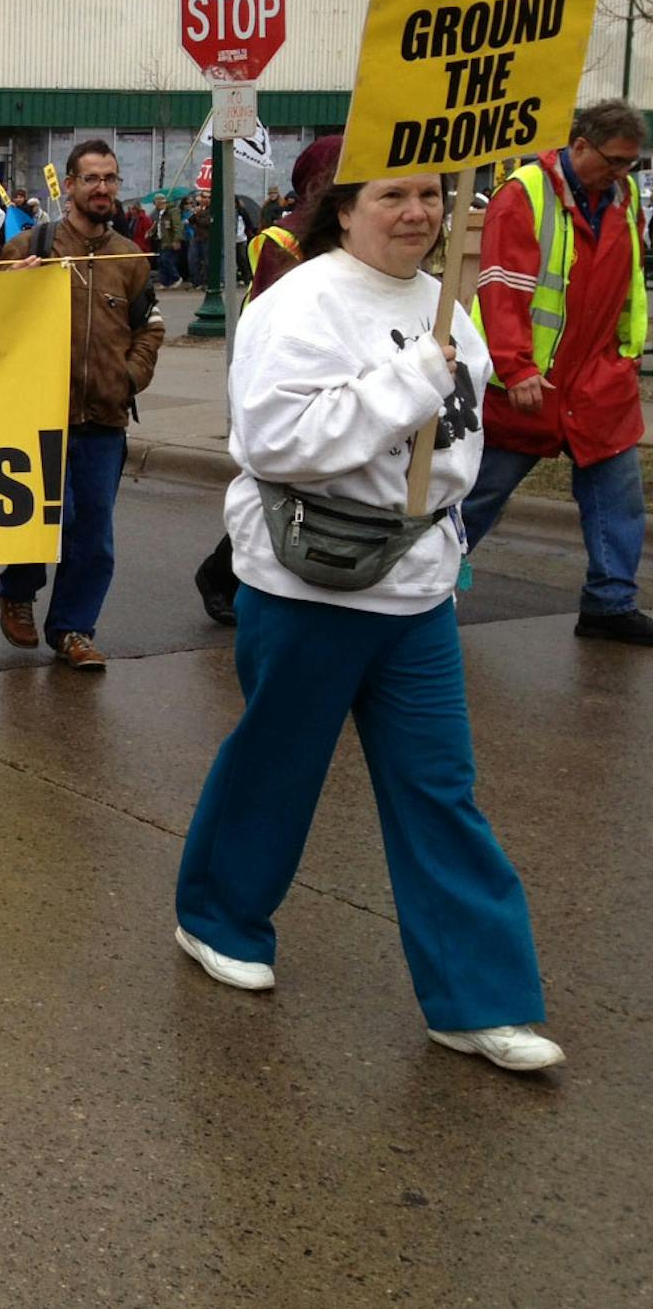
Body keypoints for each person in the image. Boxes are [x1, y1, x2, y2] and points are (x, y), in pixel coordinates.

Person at [173, 165, 563, 1074]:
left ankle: (480, 998)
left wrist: (449, 538)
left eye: (429, 196)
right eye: (391, 196)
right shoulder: (301, 304)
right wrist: (412, 377)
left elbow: (459, 443)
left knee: (439, 789)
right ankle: (218, 918)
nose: (417, 213)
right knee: (279, 765)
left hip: (418, 591)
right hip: (313, 582)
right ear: (343, 210)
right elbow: (272, 442)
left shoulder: (447, 304)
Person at [461, 100, 650, 644]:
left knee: (618, 497)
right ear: (580, 145)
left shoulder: (624, 196)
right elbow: (503, 287)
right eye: (615, 161)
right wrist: (516, 367)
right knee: (475, 497)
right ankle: (419, 591)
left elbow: (629, 286)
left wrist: (624, 359)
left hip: (598, 382)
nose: (622, 174)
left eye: (631, 164)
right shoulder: (524, 192)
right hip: (529, 385)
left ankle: (611, 604)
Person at [0, 140, 164, 671]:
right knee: (41, 518)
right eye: (91, 179)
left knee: (93, 533)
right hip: (41, 416)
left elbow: (151, 328)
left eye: (110, 179)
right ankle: (17, 588)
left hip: (104, 421)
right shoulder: (30, 246)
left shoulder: (130, 259)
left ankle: (73, 629)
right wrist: (8, 286)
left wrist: (129, 378)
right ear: (68, 186)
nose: (103, 188)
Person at [193, 136, 337, 624]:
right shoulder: (285, 240)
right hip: (281, 374)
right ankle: (222, 573)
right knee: (273, 485)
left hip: (329, 375)